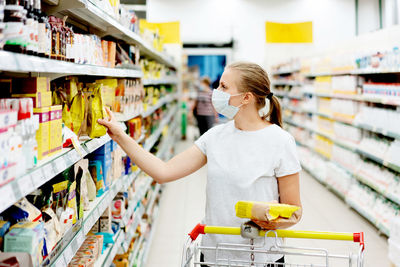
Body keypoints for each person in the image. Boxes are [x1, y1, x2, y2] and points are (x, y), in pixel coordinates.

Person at [98, 62, 302, 265]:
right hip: (214, 254)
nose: (216, 92)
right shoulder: (214, 137)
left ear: (246, 97)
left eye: (224, 86)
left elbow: (294, 211)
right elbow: (163, 171)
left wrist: (272, 221)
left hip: (260, 258)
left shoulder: (280, 141)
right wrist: (120, 135)